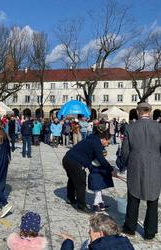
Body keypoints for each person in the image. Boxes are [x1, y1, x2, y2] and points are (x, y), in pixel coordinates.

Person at [122, 102, 161, 241]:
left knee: (133, 196)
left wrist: (123, 164)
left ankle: (130, 228)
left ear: (138, 112)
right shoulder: (159, 127)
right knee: (153, 199)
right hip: (155, 165)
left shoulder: (130, 127)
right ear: (149, 112)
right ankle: (150, 232)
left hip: (135, 164)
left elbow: (125, 151)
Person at [62, 131, 114, 214]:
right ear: (104, 139)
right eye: (108, 142)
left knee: (72, 179)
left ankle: (70, 198)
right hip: (75, 162)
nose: (108, 144)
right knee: (81, 183)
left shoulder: (92, 139)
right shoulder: (96, 143)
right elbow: (101, 160)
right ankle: (81, 206)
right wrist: (111, 170)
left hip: (67, 159)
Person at [60, 214, 134, 250]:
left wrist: (68, 242)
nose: (89, 233)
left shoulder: (96, 247)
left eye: (90, 231)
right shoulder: (127, 245)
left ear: (100, 234)